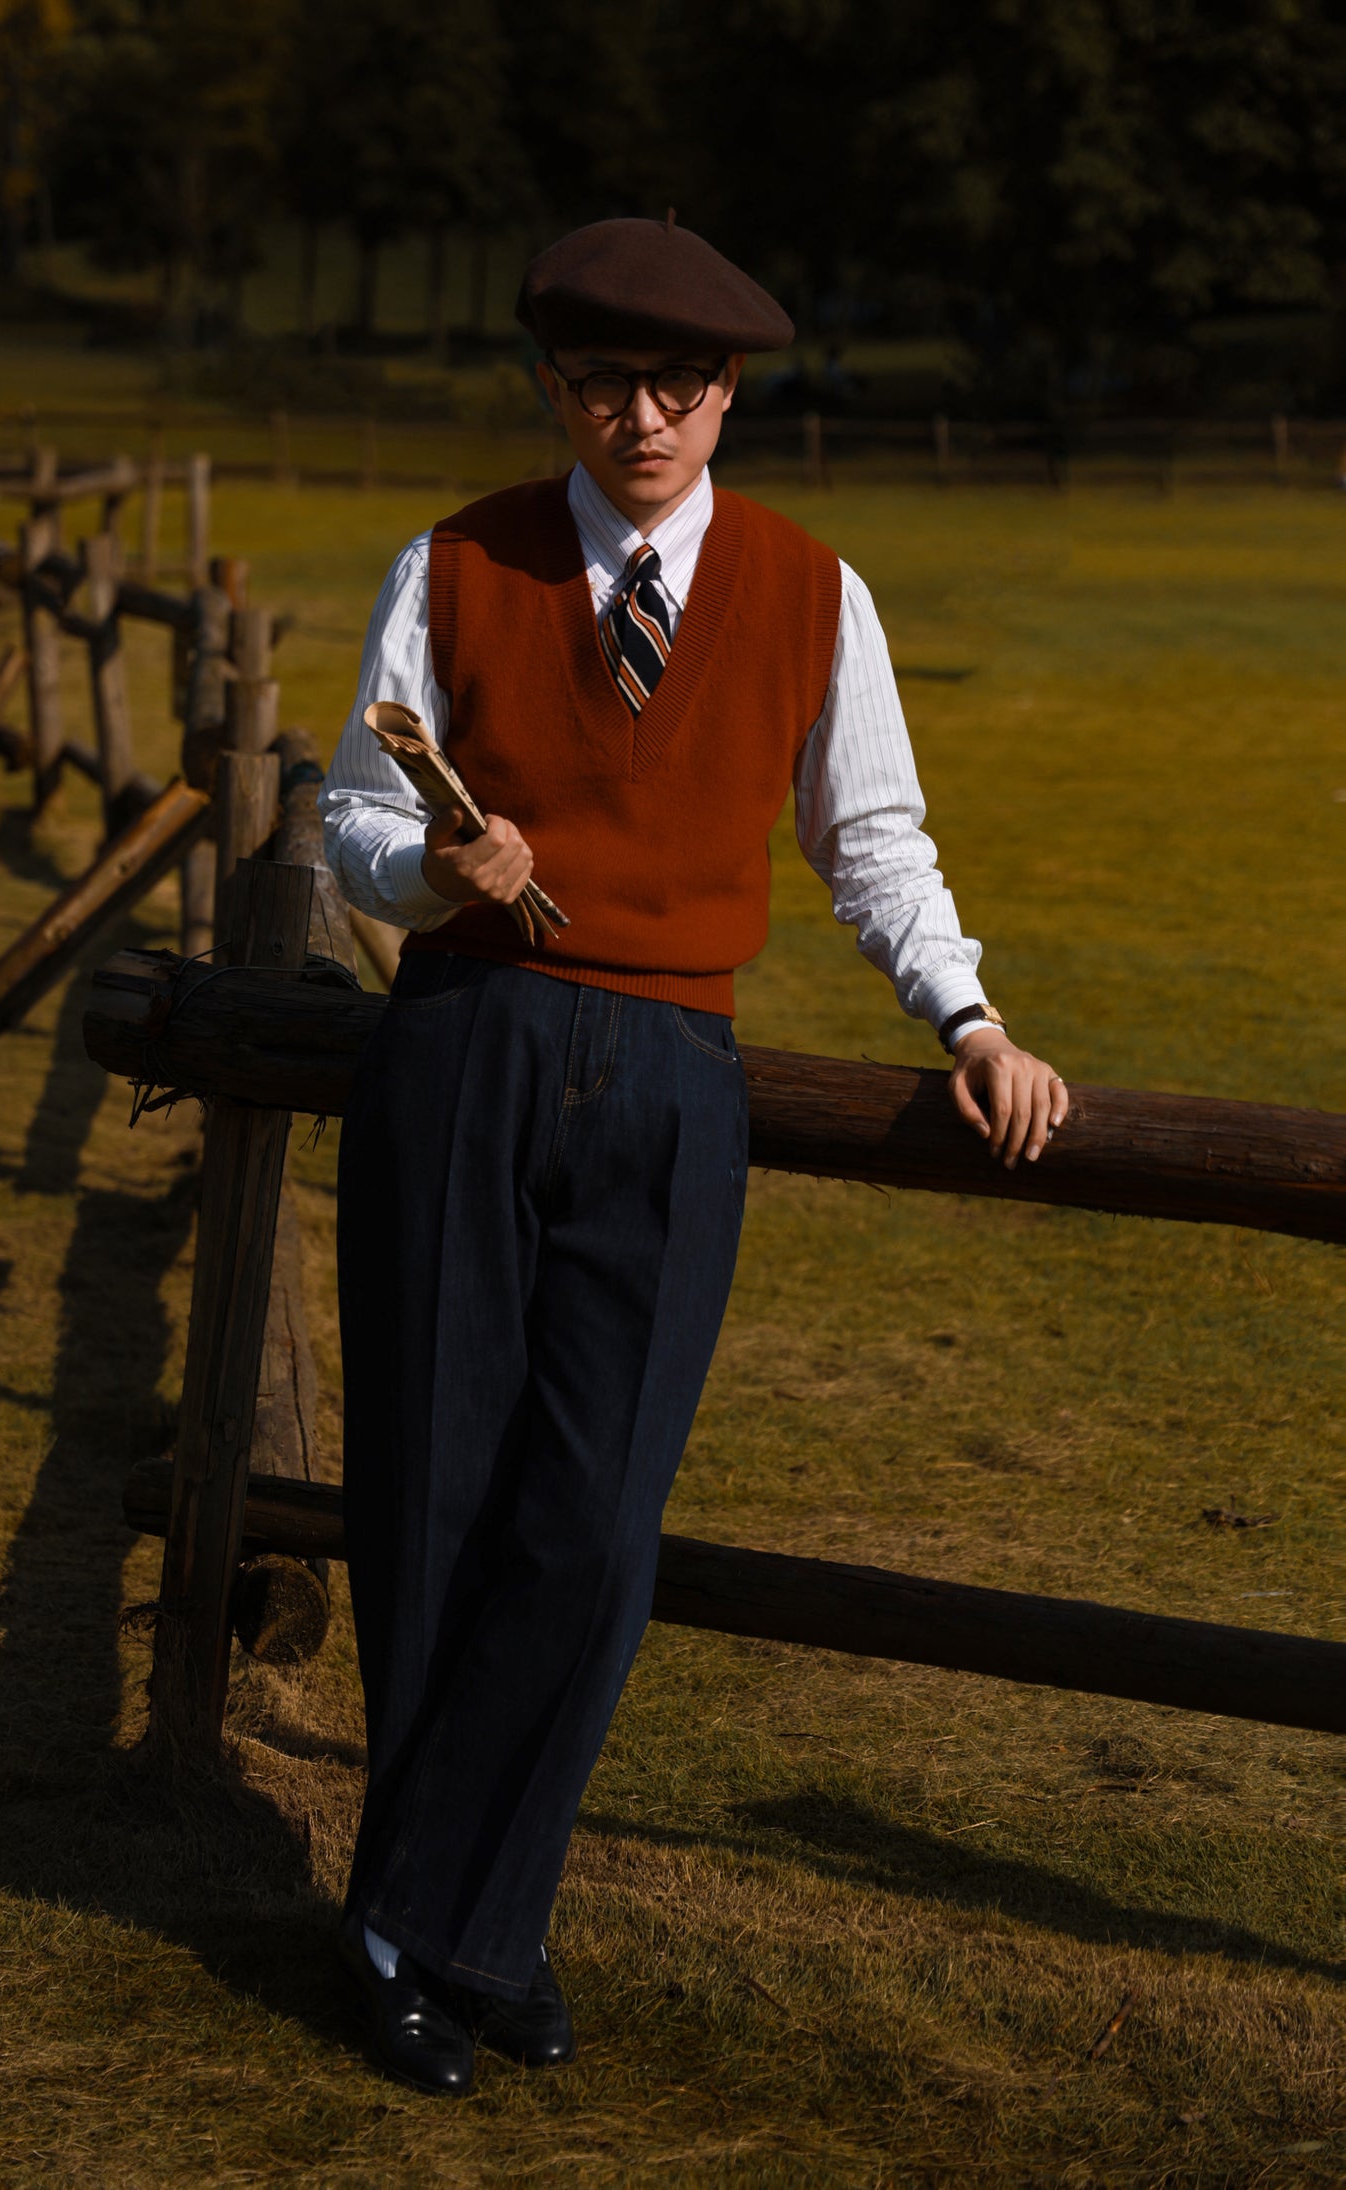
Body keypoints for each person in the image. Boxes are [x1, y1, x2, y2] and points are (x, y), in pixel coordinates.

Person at [320, 215, 1068, 2097]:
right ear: (552, 385)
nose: (636, 416)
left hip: (673, 1072)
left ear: (727, 393)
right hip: (462, 1047)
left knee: (590, 1526)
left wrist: (967, 1021)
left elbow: (871, 840)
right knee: (430, 1495)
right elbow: (346, 813)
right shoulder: (456, 560)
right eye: (597, 383)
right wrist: (433, 870)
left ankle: (432, 1918)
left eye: (674, 386)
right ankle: (449, 1934)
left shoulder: (817, 592)